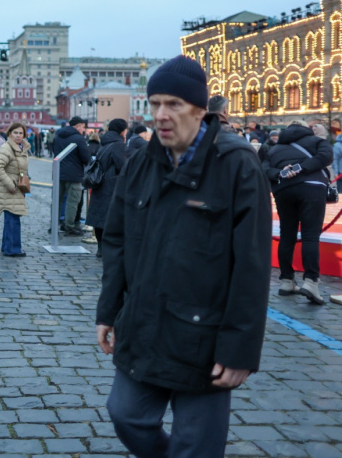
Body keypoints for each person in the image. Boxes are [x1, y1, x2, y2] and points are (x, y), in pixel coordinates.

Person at [96, 55, 271, 457]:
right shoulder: (140, 159)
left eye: (173, 104)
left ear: (200, 110)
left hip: (205, 336)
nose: (161, 114)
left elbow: (252, 264)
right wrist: (108, 311)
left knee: (196, 446)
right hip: (143, 324)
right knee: (126, 416)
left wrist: (239, 350)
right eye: (155, 103)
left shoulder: (237, 164)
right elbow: (117, 241)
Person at [262, 120, 333, 304]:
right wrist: (301, 168)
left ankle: (287, 280)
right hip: (312, 187)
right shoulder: (316, 141)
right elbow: (326, 157)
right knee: (310, 236)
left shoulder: (275, 149)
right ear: (306, 129)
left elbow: (263, 169)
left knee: (287, 235)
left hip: (283, 190)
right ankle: (310, 282)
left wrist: (281, 173)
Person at [84, 118, 127, 258]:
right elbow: (123, 166)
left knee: (99, 216)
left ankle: (101, 248)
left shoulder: (105, 141)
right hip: (112, 185)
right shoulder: (118, 144)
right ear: (122, 130)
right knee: (111, 217)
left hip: (100, 183)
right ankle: (107, 249)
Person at [0, 122, 30, 257]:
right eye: (15, 133)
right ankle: (13, 249)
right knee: (13, 218)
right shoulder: (7, 148)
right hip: (10, 188)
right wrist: (10, 184)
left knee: (13, 217)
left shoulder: (21, 148)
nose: (18, 135)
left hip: (18, 187)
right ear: (9, 134)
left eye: (21, 133)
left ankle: (7, 246)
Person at [52, 116, 90, 235]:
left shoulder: (58, 135)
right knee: (72, 201)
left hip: (58, 172)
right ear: (78, 126)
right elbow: (86, 157)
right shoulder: (79, 138)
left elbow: (54, 151)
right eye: (83, 127)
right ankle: (69, 226)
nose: (84, 130)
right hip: (74, 174)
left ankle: (53, 225)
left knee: (56, 200)